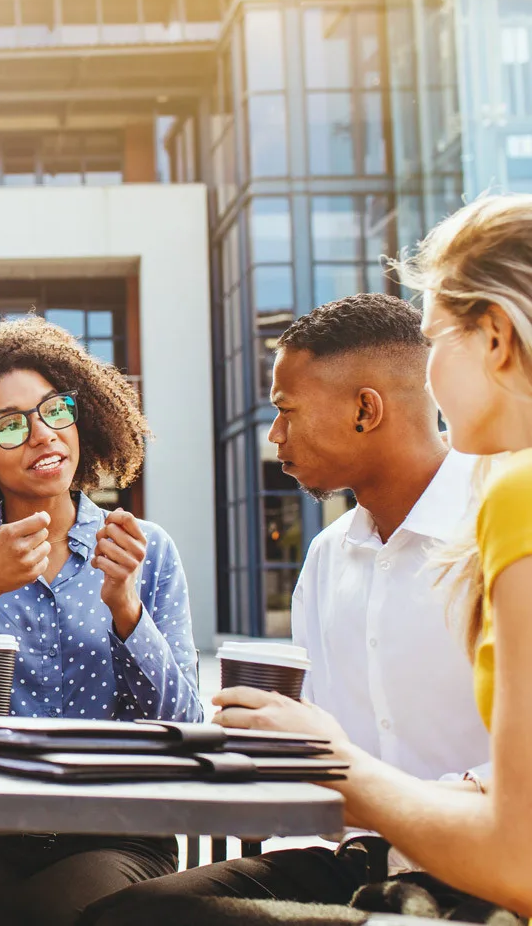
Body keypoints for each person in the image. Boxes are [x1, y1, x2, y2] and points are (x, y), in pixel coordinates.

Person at [81, 291, 501, 926]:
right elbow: (318, 752)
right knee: (126, 914)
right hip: (362, 860)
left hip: (485, 865)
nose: (274, 433)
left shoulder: (496, 532)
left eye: (285, 410)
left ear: (366, 409)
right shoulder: (329, 556)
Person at [0, 316, 202, 926]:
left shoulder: (146, 549)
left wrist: (126, 608)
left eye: (55, 410)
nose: (42, 434)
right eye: (9, 425)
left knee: (58, 910)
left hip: (116, 828)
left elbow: (184, 726)